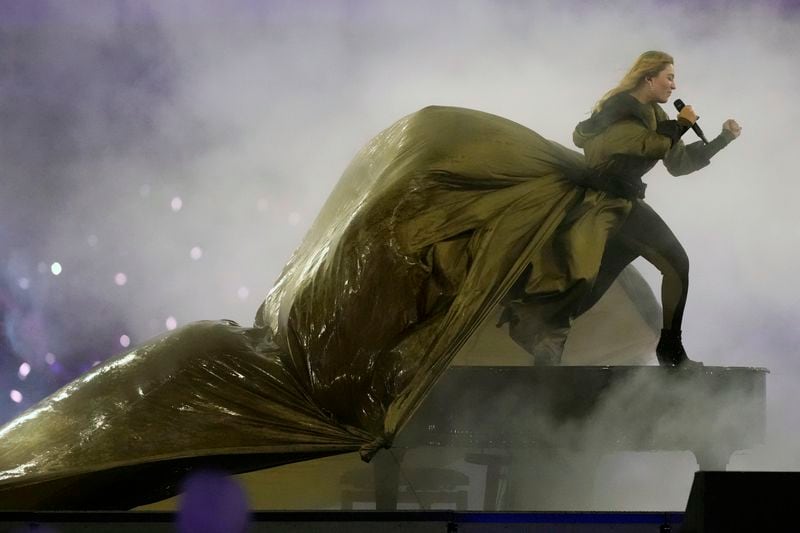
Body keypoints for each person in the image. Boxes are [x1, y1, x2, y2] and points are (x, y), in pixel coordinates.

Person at [521, 50, 741, 367]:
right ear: (648, 78)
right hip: (603, 203)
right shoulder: (618, 109)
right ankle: (668, 352)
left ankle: (545, 340)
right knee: (671, 264)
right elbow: (643, 145)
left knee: (592, 284)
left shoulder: (657, 116)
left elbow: (678, 164)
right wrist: (681, 125)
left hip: (625, 202)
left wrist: (723, 139)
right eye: (669, 77)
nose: (674, 86)